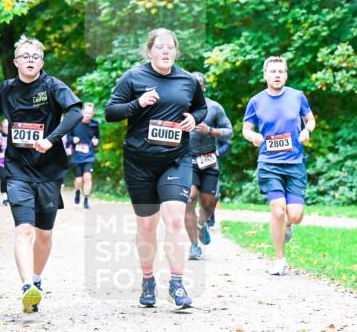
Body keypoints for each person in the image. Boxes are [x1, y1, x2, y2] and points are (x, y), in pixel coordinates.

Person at [105, 28, 207, 310]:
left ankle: (177, 284)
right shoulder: (133, 77)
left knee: (174, 220)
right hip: (139, 163)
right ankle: (148, 280)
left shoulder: (188, 80)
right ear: (149, 51)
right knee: (147, 225)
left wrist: (193, 119)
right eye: (160, 47)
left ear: (176, 51)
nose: (165, 51)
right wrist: (137, 103)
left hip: (176, 159)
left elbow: (201, 109)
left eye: (170, 47)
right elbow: (111, 112)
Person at [0, 37, 83, 313]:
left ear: (41, 62)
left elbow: (75, 112)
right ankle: (27, 286)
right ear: (16, 62)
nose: (30, 60)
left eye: (35, 56)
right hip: (17, 170)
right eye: (25, 56)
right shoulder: (6, 89)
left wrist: (51, 139)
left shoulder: (52, 86)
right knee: (24, 229)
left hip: (49, 171)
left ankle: (36, 279)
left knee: (44, 233)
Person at [242, 56, 316, 275]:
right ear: (265, 75)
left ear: (286, 75)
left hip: (294, 163)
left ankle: (288, 225)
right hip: (269, 163)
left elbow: (310, 120)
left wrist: (307, 131)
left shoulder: (297, 96)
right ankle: (280, 259)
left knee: (295, 215)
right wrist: (253, 136)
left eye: (281, 71)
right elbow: (246, 129)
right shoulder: (256, 101)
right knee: (277, 209)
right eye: (273, 71)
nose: (277, 75)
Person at [184, 72, 232, 260]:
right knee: (189, 198)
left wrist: (210, 131)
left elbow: (229, 132)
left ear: (204, 88)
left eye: (199, 85)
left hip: (209, 160)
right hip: (187, 160)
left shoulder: (214, 108)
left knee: (209, 202)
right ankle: (194, 246)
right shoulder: (179, 107)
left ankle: (201, 224)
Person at [65, 102, 101, 209]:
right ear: (82, 112)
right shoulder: (75, 123)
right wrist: (73, 139)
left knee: (87, 177)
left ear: (93, 113)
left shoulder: (95, 124)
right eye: (86, 112)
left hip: (89, 155)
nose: (88, 115)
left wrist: (96, 141)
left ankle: (86, 199)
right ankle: (77, 191)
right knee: (79, 180)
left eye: (90, 113)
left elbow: (97, 137)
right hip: (77, 156)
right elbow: (68, 138)